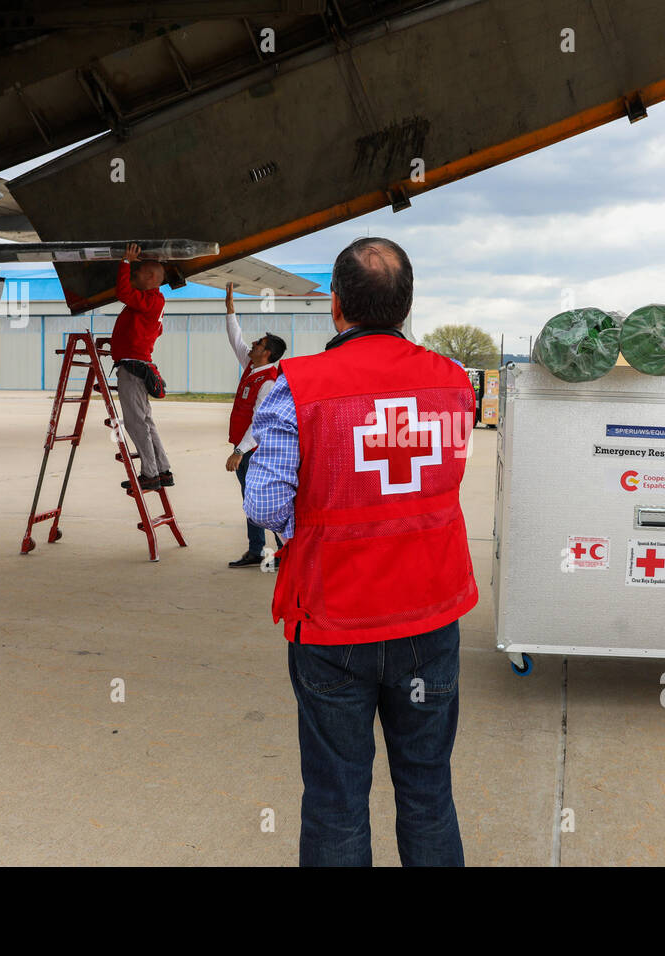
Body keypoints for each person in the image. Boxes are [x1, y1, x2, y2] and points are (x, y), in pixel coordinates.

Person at [244, 237, 478, 867]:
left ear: (336, 306)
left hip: (332, 622)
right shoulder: (455, 382)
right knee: (428, 793)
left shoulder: (295, 388)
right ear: (406, 307)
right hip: (430, 617)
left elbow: (265, 505)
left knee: (335, 799)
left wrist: (314, 526)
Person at [223, 281, 287, 567]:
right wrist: (230, 310)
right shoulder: (252, 365)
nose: (253, 344)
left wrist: (239, 450)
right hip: (246, 449)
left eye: (259, 344)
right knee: (251, 500)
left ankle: (284, 552)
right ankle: (257, 551)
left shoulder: (269, 380)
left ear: (268, 353)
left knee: (264, 501)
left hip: (255, 450)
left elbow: (258, 422)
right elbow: (236, 339)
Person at [111, 243, 172, 491]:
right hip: (139, 363)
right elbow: (157, 331)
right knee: (145, 421)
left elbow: (123, 292)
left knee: (136, 422)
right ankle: (162, 469)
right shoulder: (152, 303)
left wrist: (126, 263)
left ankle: (149, 473)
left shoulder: (150, 300)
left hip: (133, 367)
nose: (134, 278)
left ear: (150, 277)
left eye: (138, 274)